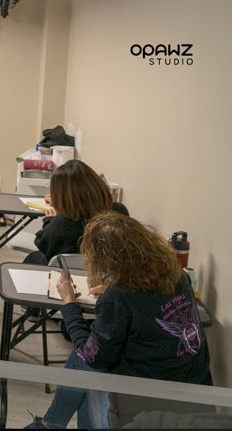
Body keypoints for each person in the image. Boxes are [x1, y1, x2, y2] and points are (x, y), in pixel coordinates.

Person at [41, 212, 211, 428]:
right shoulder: (177, 275)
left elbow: (93, 357)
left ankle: (50, 424)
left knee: (83, 363)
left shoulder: (119, 298)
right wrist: (114, 289)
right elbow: (146, 305)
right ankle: (49, 424)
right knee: (86, 365)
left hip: (150, 400)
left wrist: (69, 304)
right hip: (196, 389)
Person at [24, 159, 129, 265]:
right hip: (109, 274)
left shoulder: (62, 224)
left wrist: (49, 220)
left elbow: (42, 244)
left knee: (35, 257)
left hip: (66, 276)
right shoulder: (119, 211)